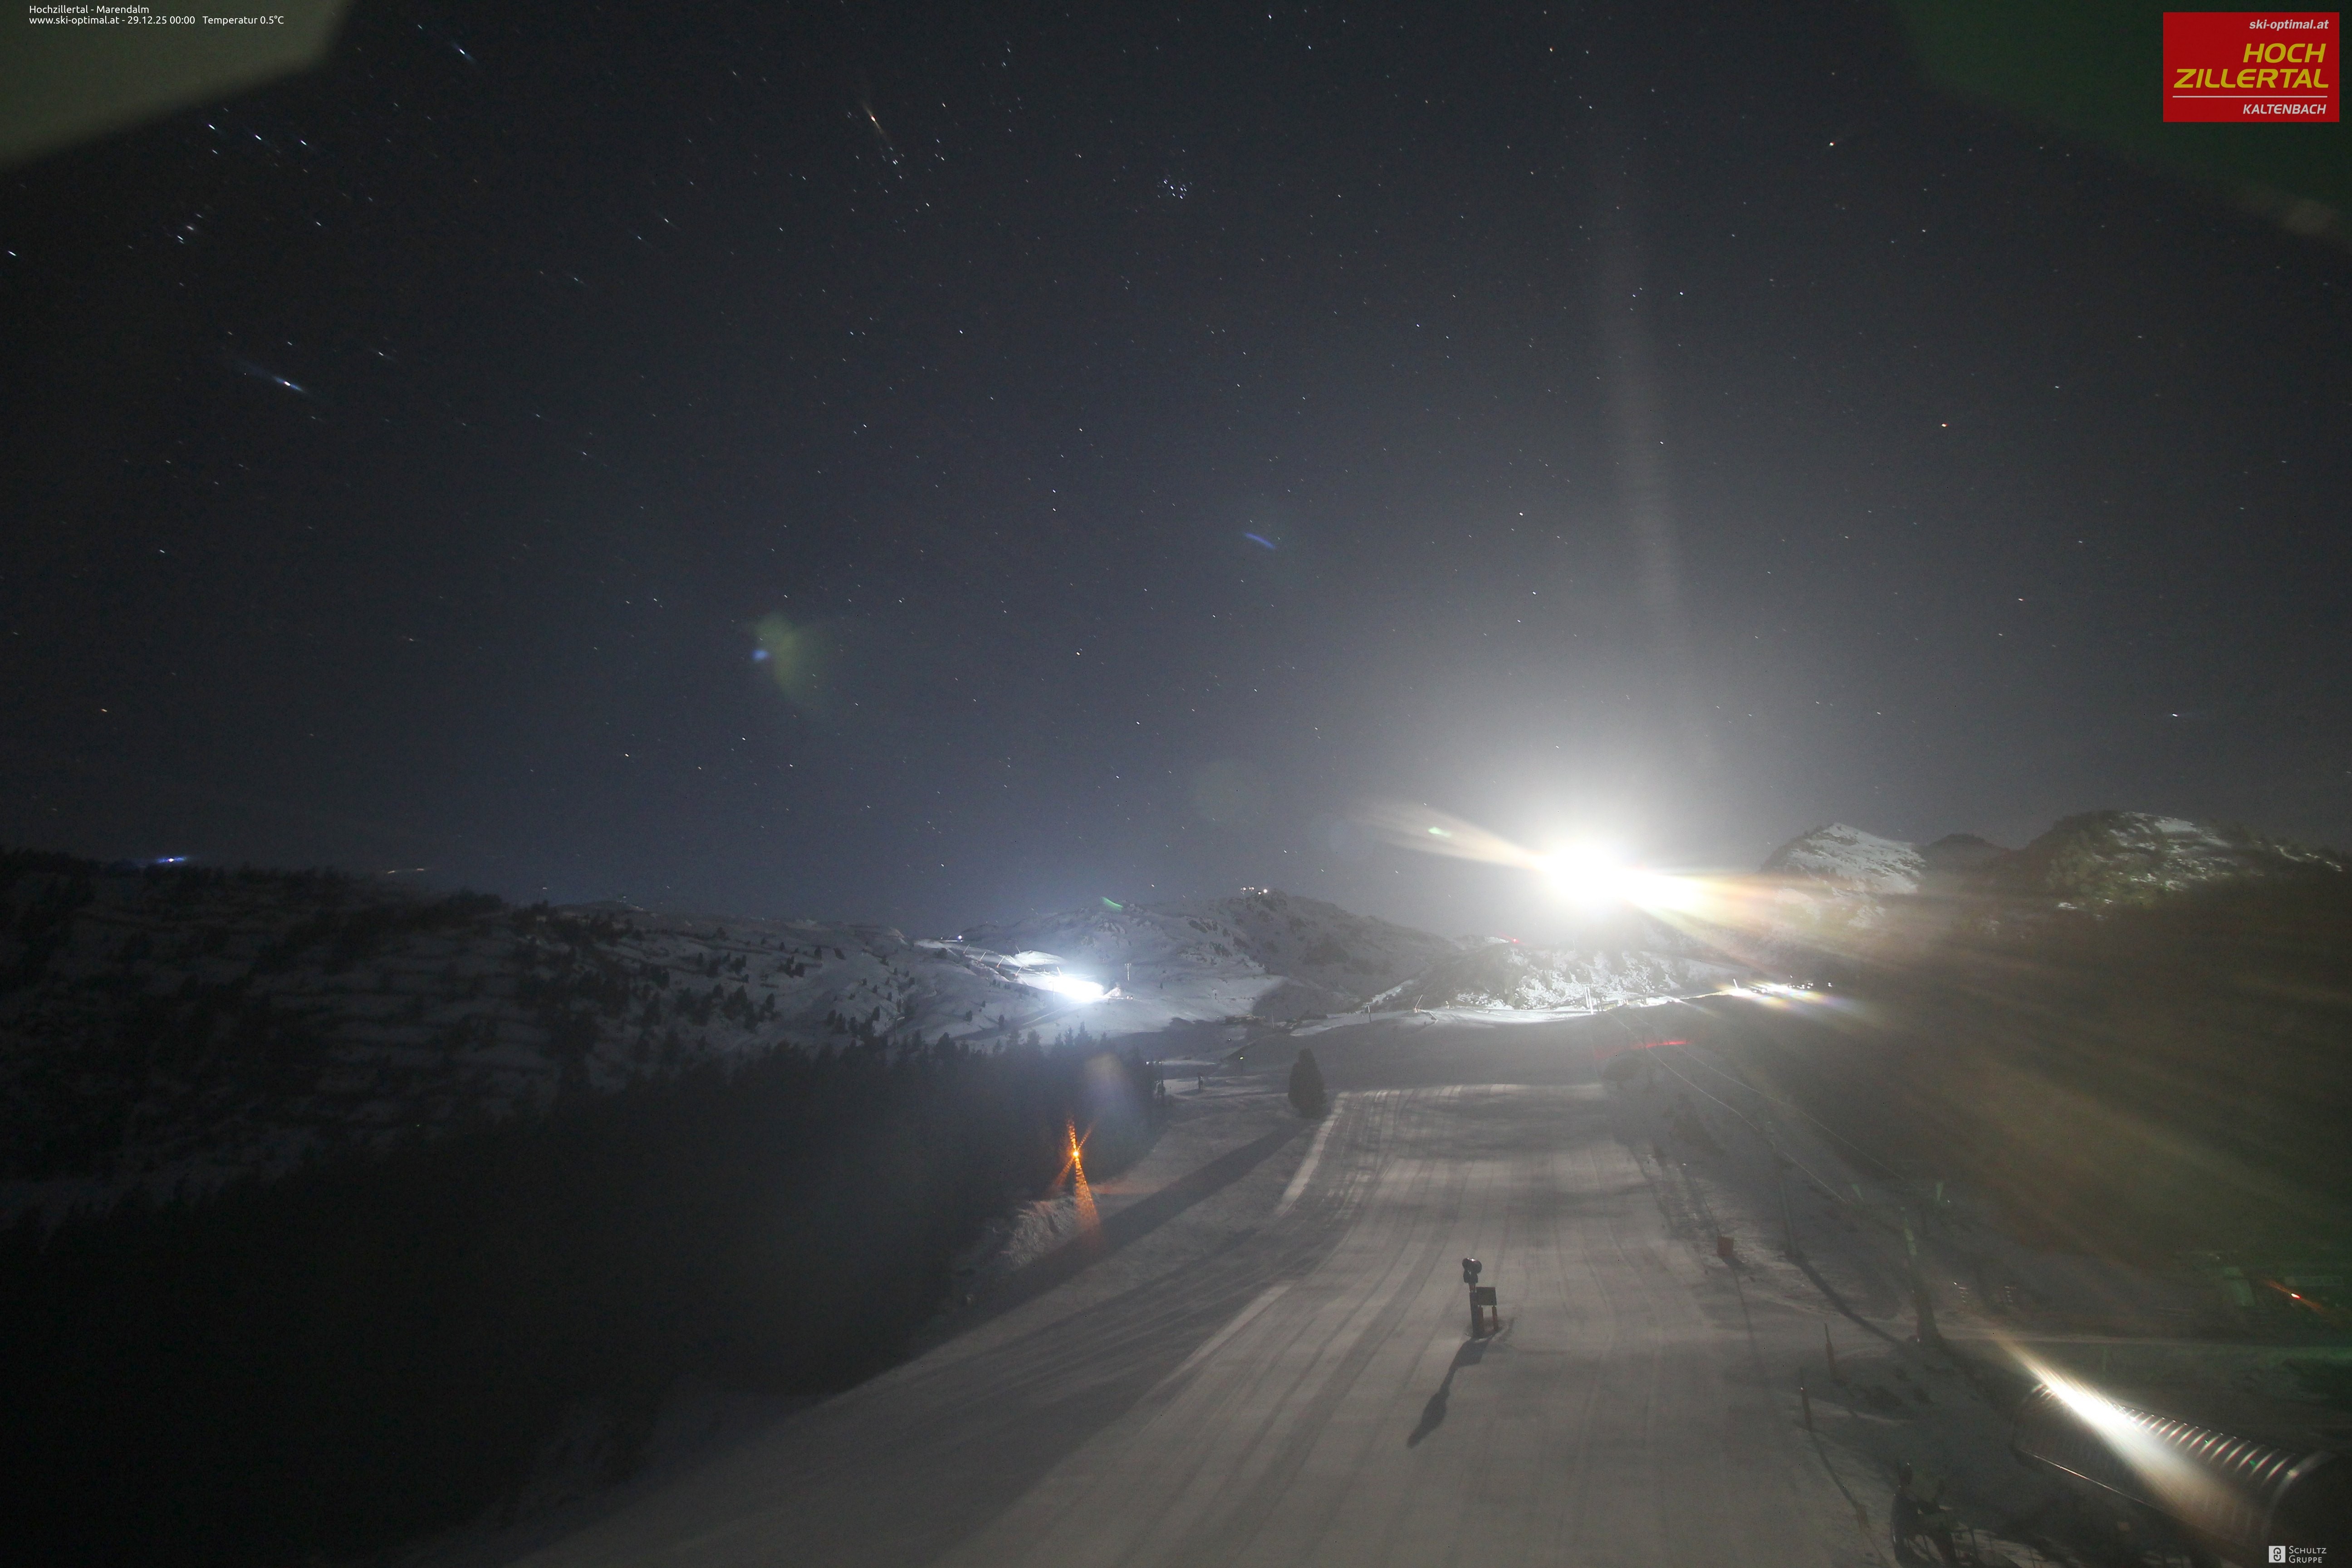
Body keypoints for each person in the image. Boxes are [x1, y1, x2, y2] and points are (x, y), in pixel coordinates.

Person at [1890, 1462, 1960, 1567]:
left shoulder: (1919, 1490)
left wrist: (1939, 1516)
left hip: (1913, 1521)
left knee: (1942, 1532)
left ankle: (1951, 1562)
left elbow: (1929, 1508)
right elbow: (1898, 1519)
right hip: (1905, 1522)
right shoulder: (1908, 1492)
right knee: (1902, 1524)